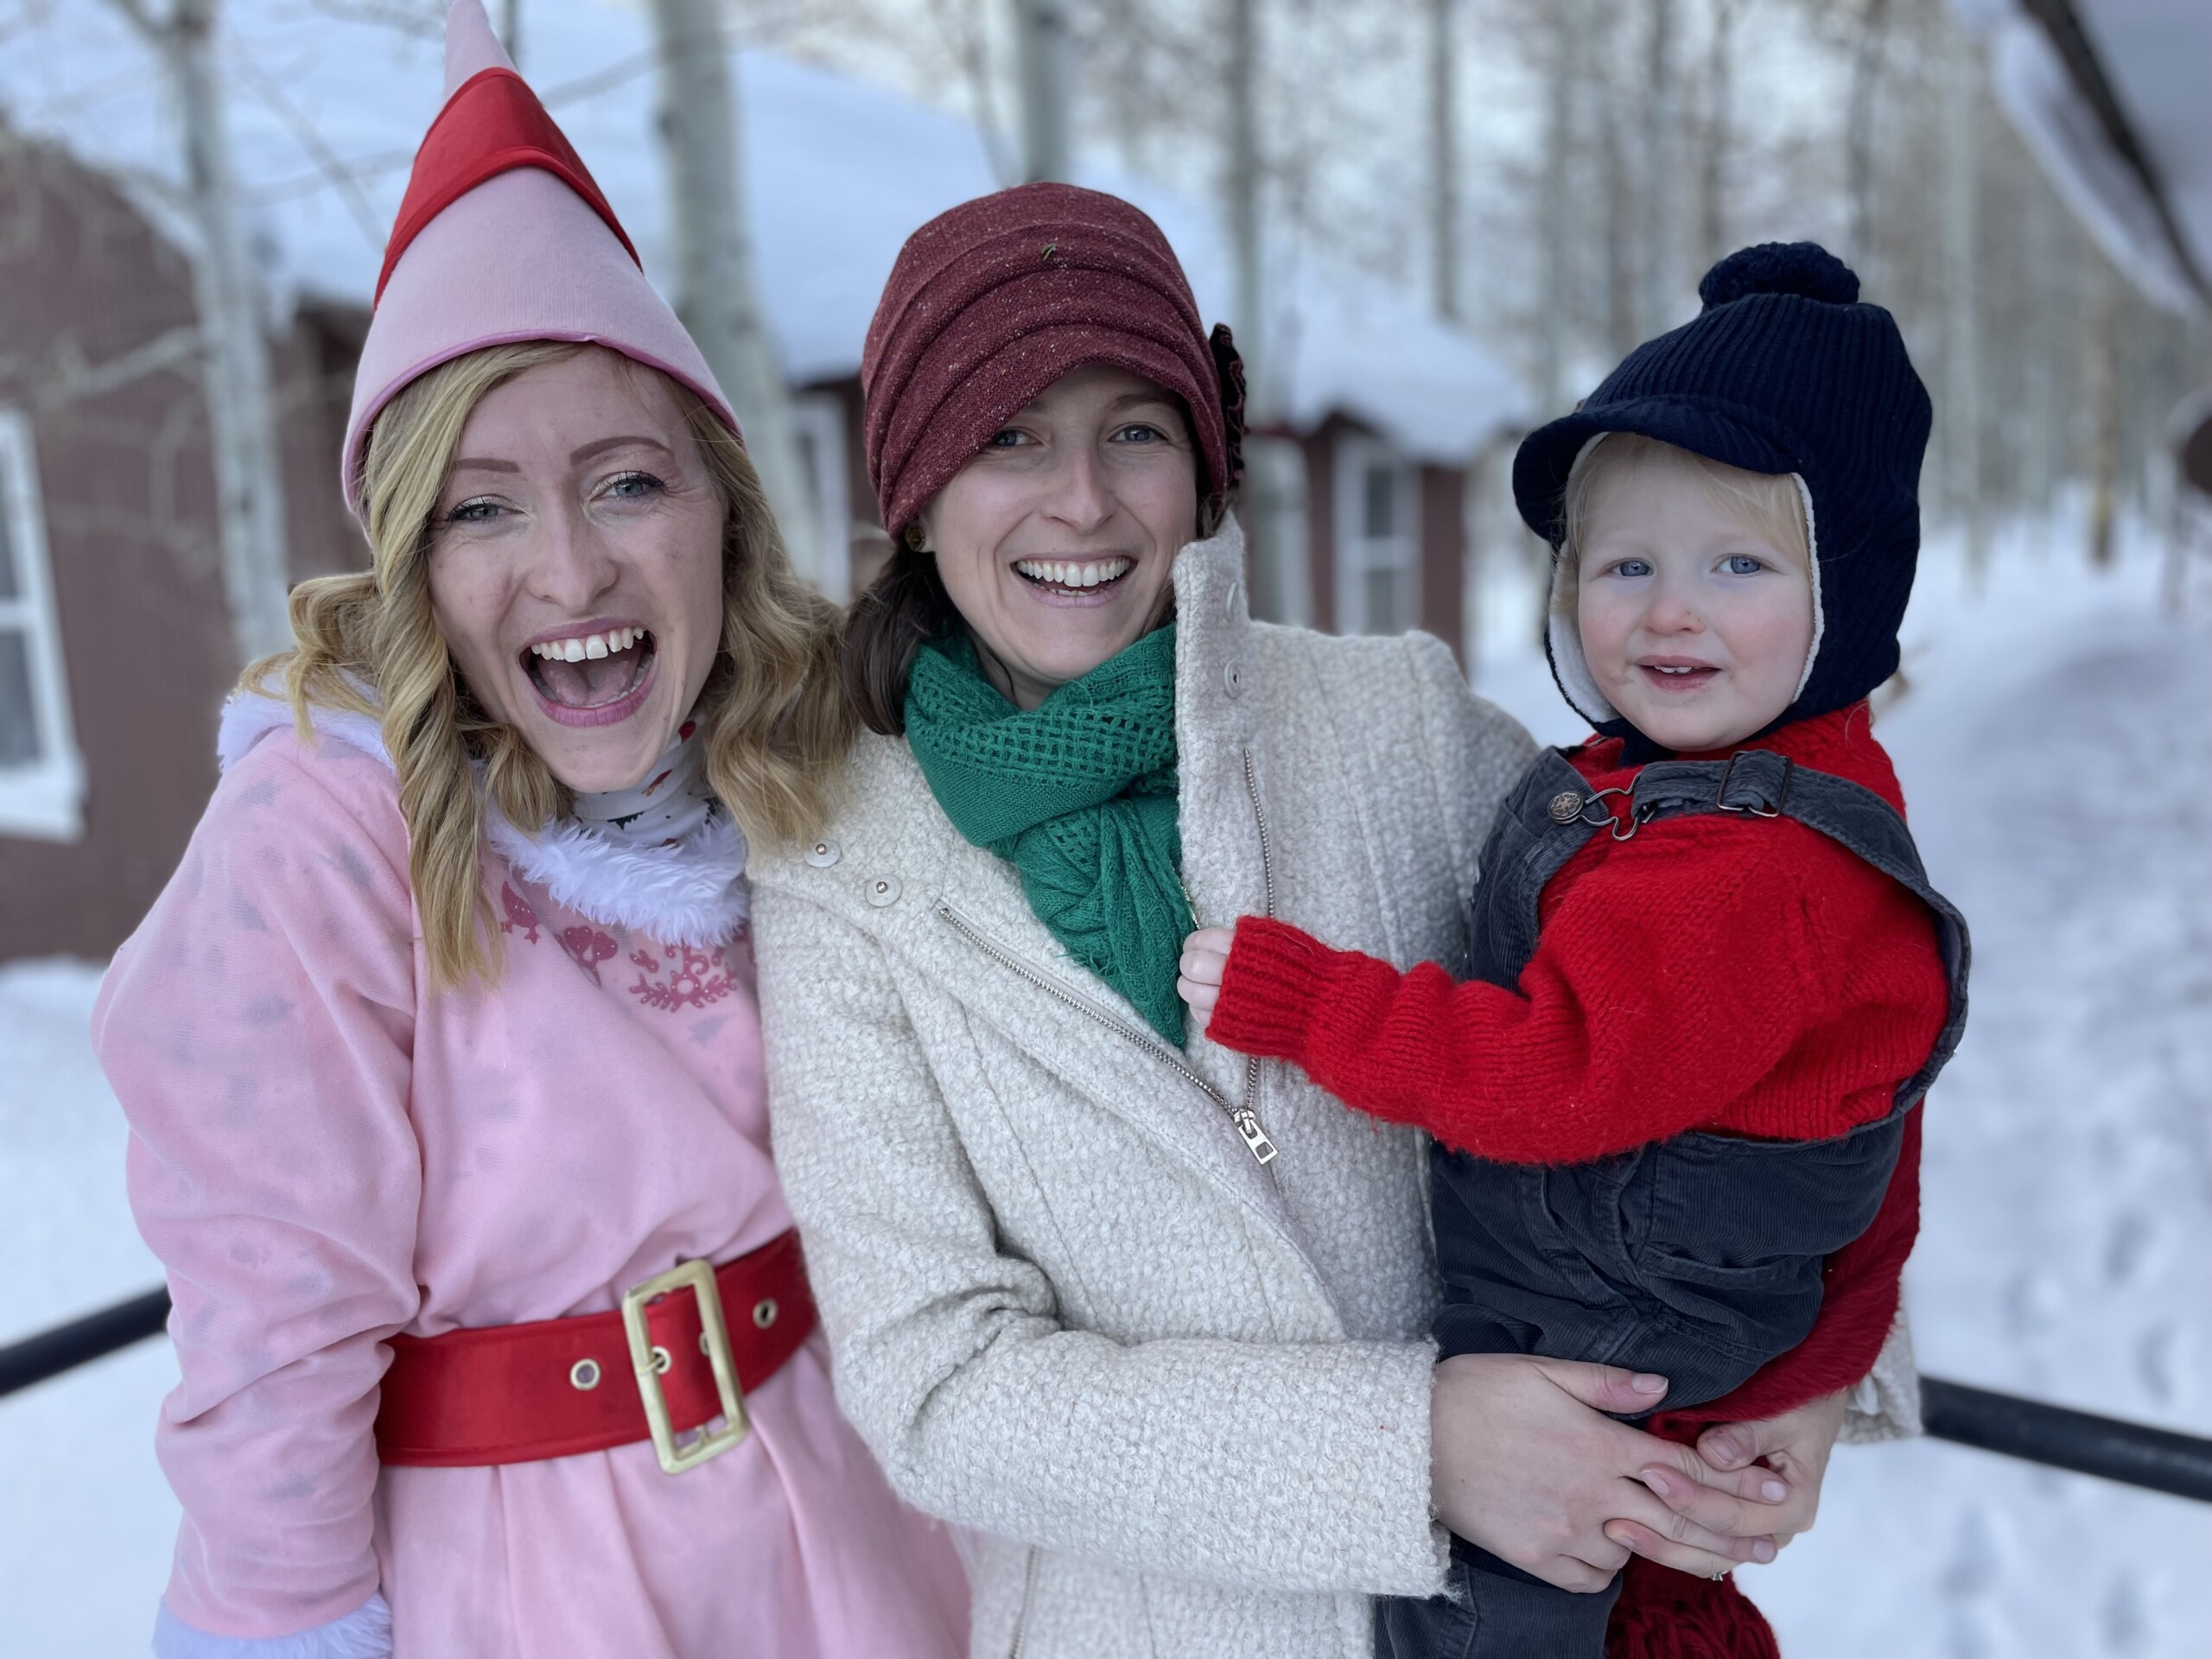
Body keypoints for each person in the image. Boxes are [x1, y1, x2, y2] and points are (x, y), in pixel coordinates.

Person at [750, 189, 1920, 1659]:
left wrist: (1817, 1375)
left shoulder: (1388, 719)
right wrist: (1412, 1449)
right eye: (1009, 437)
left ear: (1205, 466)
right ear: (914, 488)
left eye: (1135, 430)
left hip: (1566, 1596)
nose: (1083, 502)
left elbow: (1772, 988)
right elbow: (938, 1387)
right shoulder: (836, 864)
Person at [93, 5, 967, 1654]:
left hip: (850, 1515)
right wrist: (279, 1624)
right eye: (482, 507)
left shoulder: (797, 758)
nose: (567, 573)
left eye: (629, 484)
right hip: (534, 1572)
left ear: (723, 511)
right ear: (414, 564)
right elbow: (273, 1313)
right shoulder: (322, 828)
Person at [1179, 242, 1967, 1659]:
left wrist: (1309, 1004)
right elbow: (1868, 1142)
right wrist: (1829, 1358)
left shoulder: (1746, 871)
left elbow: (1557, 1074)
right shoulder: (1733, 785)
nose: (1670, 609)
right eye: (1626, 563)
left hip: (1602, 1354)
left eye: (1738, 564)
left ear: (1849, 593)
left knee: (1491, 1614)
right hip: (1686, 1347)